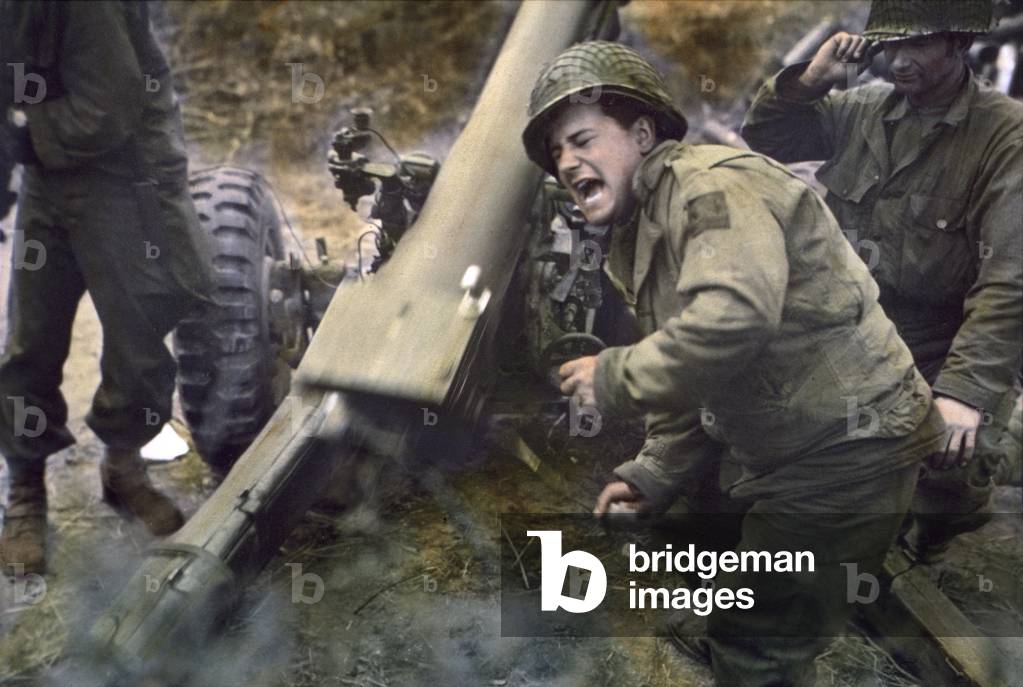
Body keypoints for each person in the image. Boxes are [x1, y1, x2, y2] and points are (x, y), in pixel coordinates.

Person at [521, 41, 945, 686]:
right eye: (556, 153)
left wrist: (613, 376)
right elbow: (700, 371)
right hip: (793, 444)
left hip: (850, 450)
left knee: (757, 647)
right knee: (703, 555)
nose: (567, 161)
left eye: (581, 138)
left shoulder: (707, 186)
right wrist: (654, 472)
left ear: (642, 131)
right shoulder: (644, 227)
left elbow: (733, 319)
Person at [742, 0, 1023, 560]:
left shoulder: (1005, 138)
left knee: (954, 465)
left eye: (916, 45)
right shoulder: (865, 108)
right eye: (891, 45)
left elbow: (1009, 281)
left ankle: (936, 535)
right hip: (851, 328)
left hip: (943, 342)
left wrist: (962, 395)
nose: (898, 61)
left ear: (959, 43)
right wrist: (807, 83)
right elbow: (771, 136)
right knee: (756, 439)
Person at [0, 1, 212, 576]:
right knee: (29, 342)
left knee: (138, 339)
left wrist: (25, 131)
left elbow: (108, 108)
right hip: (48, 181)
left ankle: (124, 467)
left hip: (120, 180)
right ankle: (25, 489)